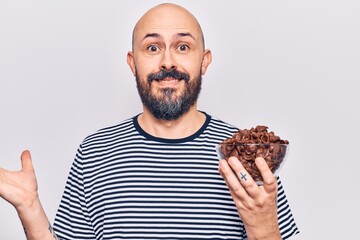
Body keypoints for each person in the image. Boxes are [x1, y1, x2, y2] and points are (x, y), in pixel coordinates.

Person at [0, 3, 299, 240]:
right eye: (152, 48)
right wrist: (29, 208)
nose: (167, 62)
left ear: (204, 60)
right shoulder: (94, 152)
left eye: (183, 47)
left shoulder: (244, 152)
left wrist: (264, 229)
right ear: (133, 62)